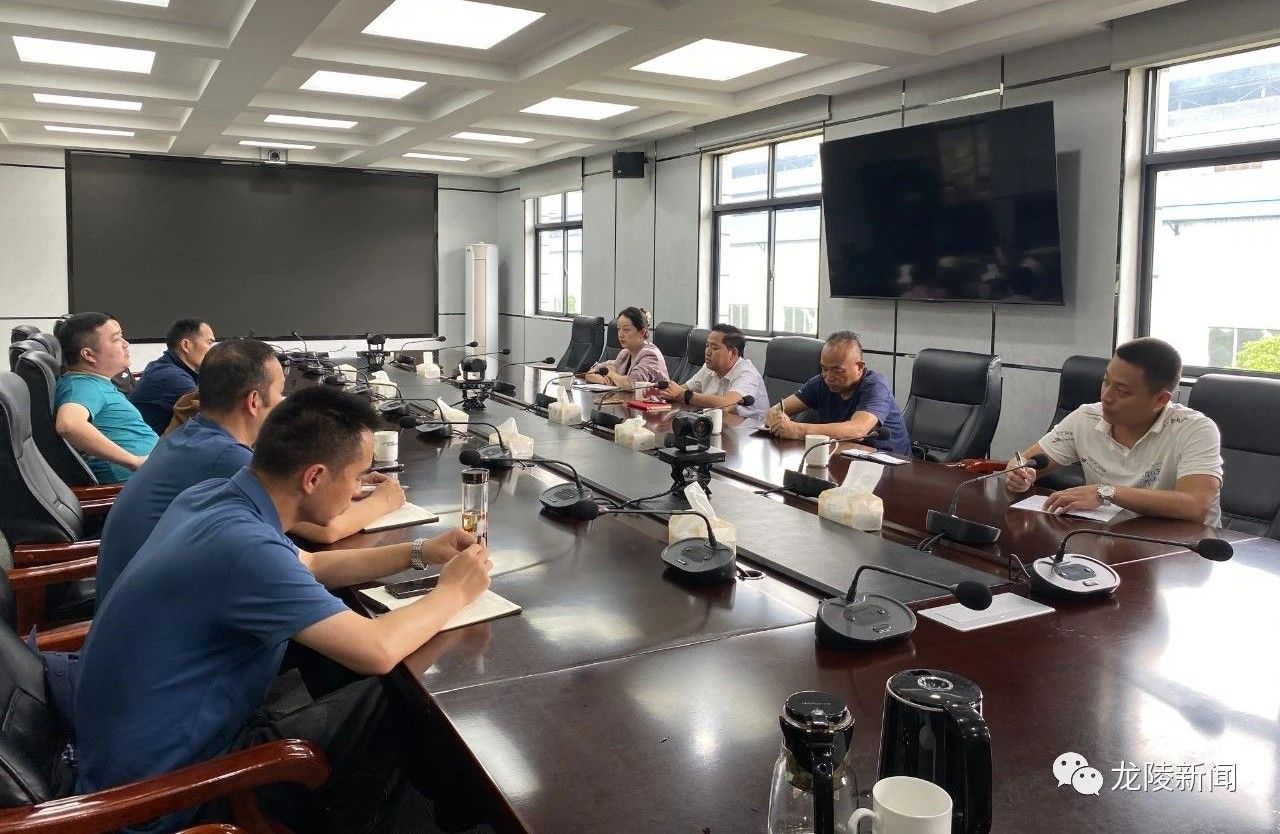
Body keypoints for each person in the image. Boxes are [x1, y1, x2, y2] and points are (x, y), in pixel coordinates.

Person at [74, 386, 492, 834]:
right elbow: (377, 649)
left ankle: (450, 801)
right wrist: (454, 591)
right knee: (394, 692)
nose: (359, 490)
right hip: (164, 794)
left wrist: (421, 551)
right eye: (356, 478)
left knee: (335, 649)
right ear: (313, 478)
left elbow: (309, 565)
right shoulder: (244, 549)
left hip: (130, 748)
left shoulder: (216, 496)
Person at [94, 339, 409, 602]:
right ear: (254, 401)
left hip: (140, 596)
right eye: (280, 392)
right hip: (163, 607)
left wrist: (344, 480)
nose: (284, 402)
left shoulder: (195, 434)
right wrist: (384, 500)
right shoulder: (227, 459)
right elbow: (326, 529)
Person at [1005, 337, 1223, 525]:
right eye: (1106, 381)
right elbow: (1025, 461)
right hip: (1110, 536)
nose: (1106, 396)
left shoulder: (1195, 429)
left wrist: (1105, 491)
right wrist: (1019, 474)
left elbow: (1195, 505)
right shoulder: (1086, 417)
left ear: (1160, 400)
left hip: (1183, 548)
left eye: (1122, 391)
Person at [764, 330, 910, 455]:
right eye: (824, 369)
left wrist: (797, 430)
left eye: (837, 370)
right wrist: (776, 419)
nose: (828, 377)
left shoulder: (875, 386)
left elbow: (858, 430)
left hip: (891, 466)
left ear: (859, 367)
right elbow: (777, 409)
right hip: (844, 458)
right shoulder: (821, 382)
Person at [54, 312, 157, 482]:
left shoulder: (94, 382)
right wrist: (135, 462)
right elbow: (68, 425)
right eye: (116, 339)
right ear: (88, 355)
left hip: (157, 474)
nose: (125, 344)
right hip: (139, 483)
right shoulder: (83, 386)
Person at [656, 323, 768, 421]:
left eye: (714, 348)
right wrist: (664, 393)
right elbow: (681, 389)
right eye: (707, 346)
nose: (707, 352)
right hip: (717, 426)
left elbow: (726, 405)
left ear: (733, 353)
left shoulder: (747, 374)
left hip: (749, 433)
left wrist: (682, 395)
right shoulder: (708, 368)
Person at [130, 317, 216, 434]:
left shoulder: (165, 366)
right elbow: (217, 415)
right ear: (185, 345)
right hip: (153, 444)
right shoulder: (171, 377)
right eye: (209, 343)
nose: (213, 350)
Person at [582, 307, 668, 388]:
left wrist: (610, 373)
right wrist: (601, 379)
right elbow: (591, 371)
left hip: (656, 399)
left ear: (642, 332)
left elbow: (632, 384)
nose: (621, 334)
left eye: (626, 329)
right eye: (619, 329)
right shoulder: (625, 353)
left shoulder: (651, 355)